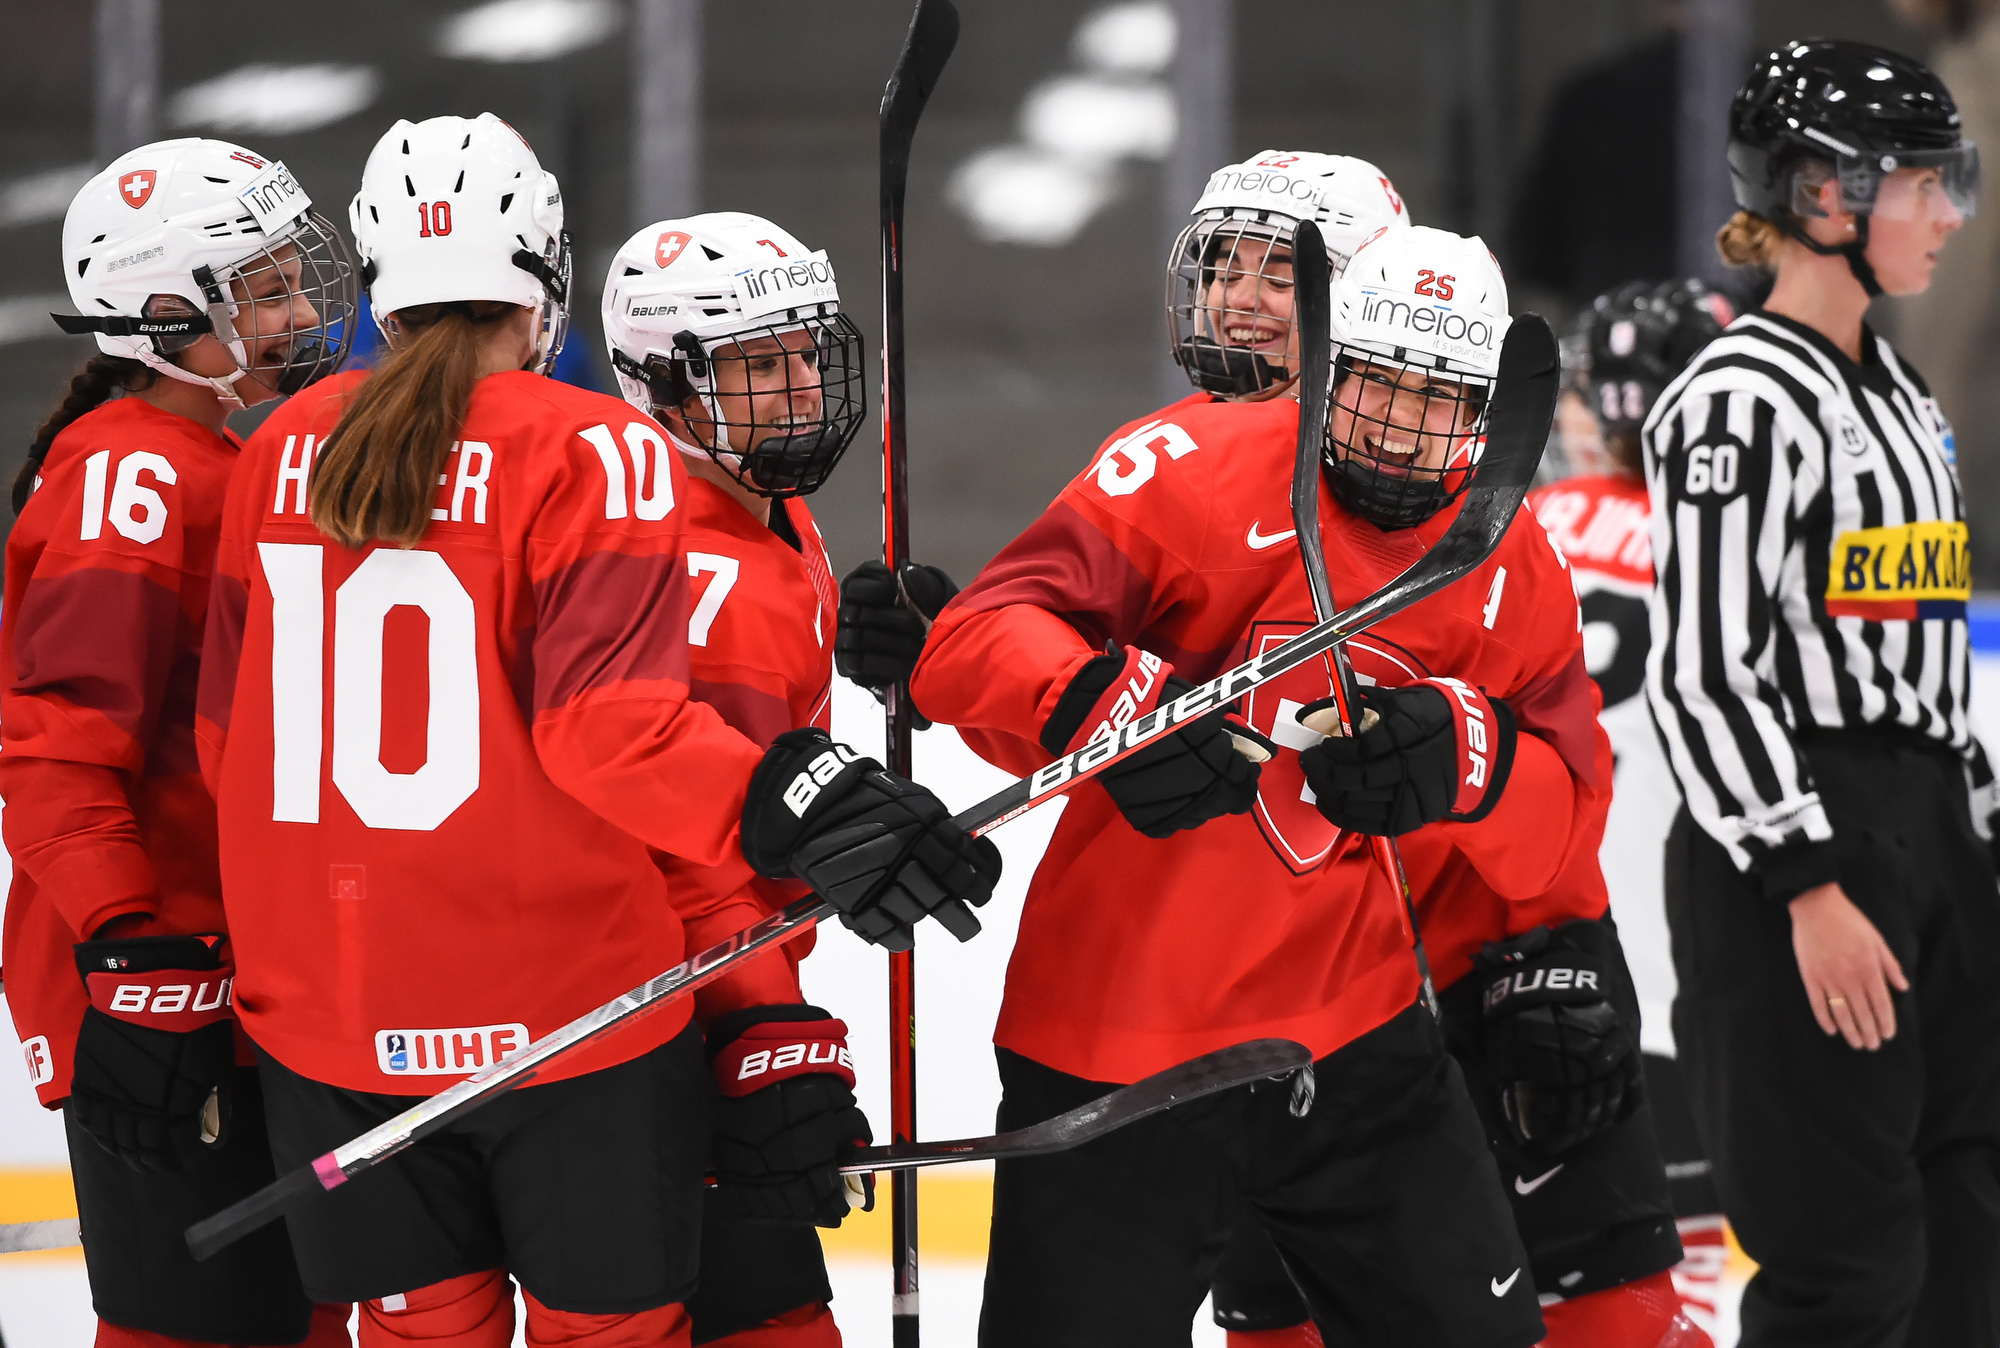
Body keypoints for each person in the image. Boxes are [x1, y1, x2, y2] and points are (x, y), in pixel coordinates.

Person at [194, 113, 1000, 1348]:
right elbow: (609, 734)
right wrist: (802, 794)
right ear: (547, 277)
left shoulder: (280, 448)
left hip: (326, 1024)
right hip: (567, 1016)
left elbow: (227, 748)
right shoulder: (599, 446)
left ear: (378, 278)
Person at [911, 221, 1606, 1348]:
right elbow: (970, 641)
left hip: (1358, 1034)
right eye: (1375, 382)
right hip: (1115, 1043)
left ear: (1485, 413)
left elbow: (1560, 832)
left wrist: (1473, 758)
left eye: (1436, 397)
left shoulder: (1511, 565)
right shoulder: (1189, 467)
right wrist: (1103, 704)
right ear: (1326, 368)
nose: (1399, 424)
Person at [1166, 167, 1705, 1347]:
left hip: (1481, 961)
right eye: (1225, 268)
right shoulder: (1174, 477)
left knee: (1614, 1316)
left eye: (1280, 274)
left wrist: (1553, 946)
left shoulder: (1475, 506)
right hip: (1283, 1004)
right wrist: (959, 645)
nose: (1238, 300)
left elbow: (1559, 773)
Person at [1644, 40, 2000, 1348]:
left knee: (1970, 1228)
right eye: (1924, 183)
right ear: (1823, 195)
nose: (1950, 213)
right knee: (1846, 1267)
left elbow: (1923, 658)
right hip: (1801, 844)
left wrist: (1973, 839)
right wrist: (1806, 884)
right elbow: (1704, 672)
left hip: (1928, 835)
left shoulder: (1902, 393)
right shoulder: (1736, 401)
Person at [1, 139, 355, 1348]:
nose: (300, 311)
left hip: (234, 979)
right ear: (166, 314)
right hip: (157, 984)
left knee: (289, 1321)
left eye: (294, 279)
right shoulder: (133, 472)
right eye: (266, 290)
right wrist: (127, 952)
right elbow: (55, 748)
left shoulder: (219, 458)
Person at [601, 208, 953, 1346]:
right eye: (759, 368)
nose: (802, 388)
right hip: (671, 1020)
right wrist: (765, 1032)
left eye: (805, 353)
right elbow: (686, 853)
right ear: (663, 384)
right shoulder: (702, 570)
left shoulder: (759, 505)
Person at [1529, 278, 1735, 1339]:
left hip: (1530, 935)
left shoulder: (1524, 528)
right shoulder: (1725, 541)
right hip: (1688, 944)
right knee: (1679, 1262)